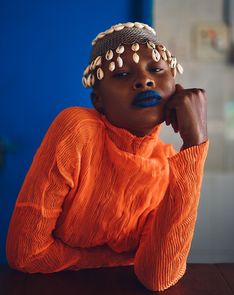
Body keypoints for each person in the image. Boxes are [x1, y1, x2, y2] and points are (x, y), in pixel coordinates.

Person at [6, 22, 209, 291]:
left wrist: (195, 144)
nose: (144, 80)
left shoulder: (170, 165)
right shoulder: (76, 131)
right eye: (123, 74)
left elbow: (159, 276)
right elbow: (25, 254)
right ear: (98, 100)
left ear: (175, 87)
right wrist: (118, 259)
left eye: (157, 69)